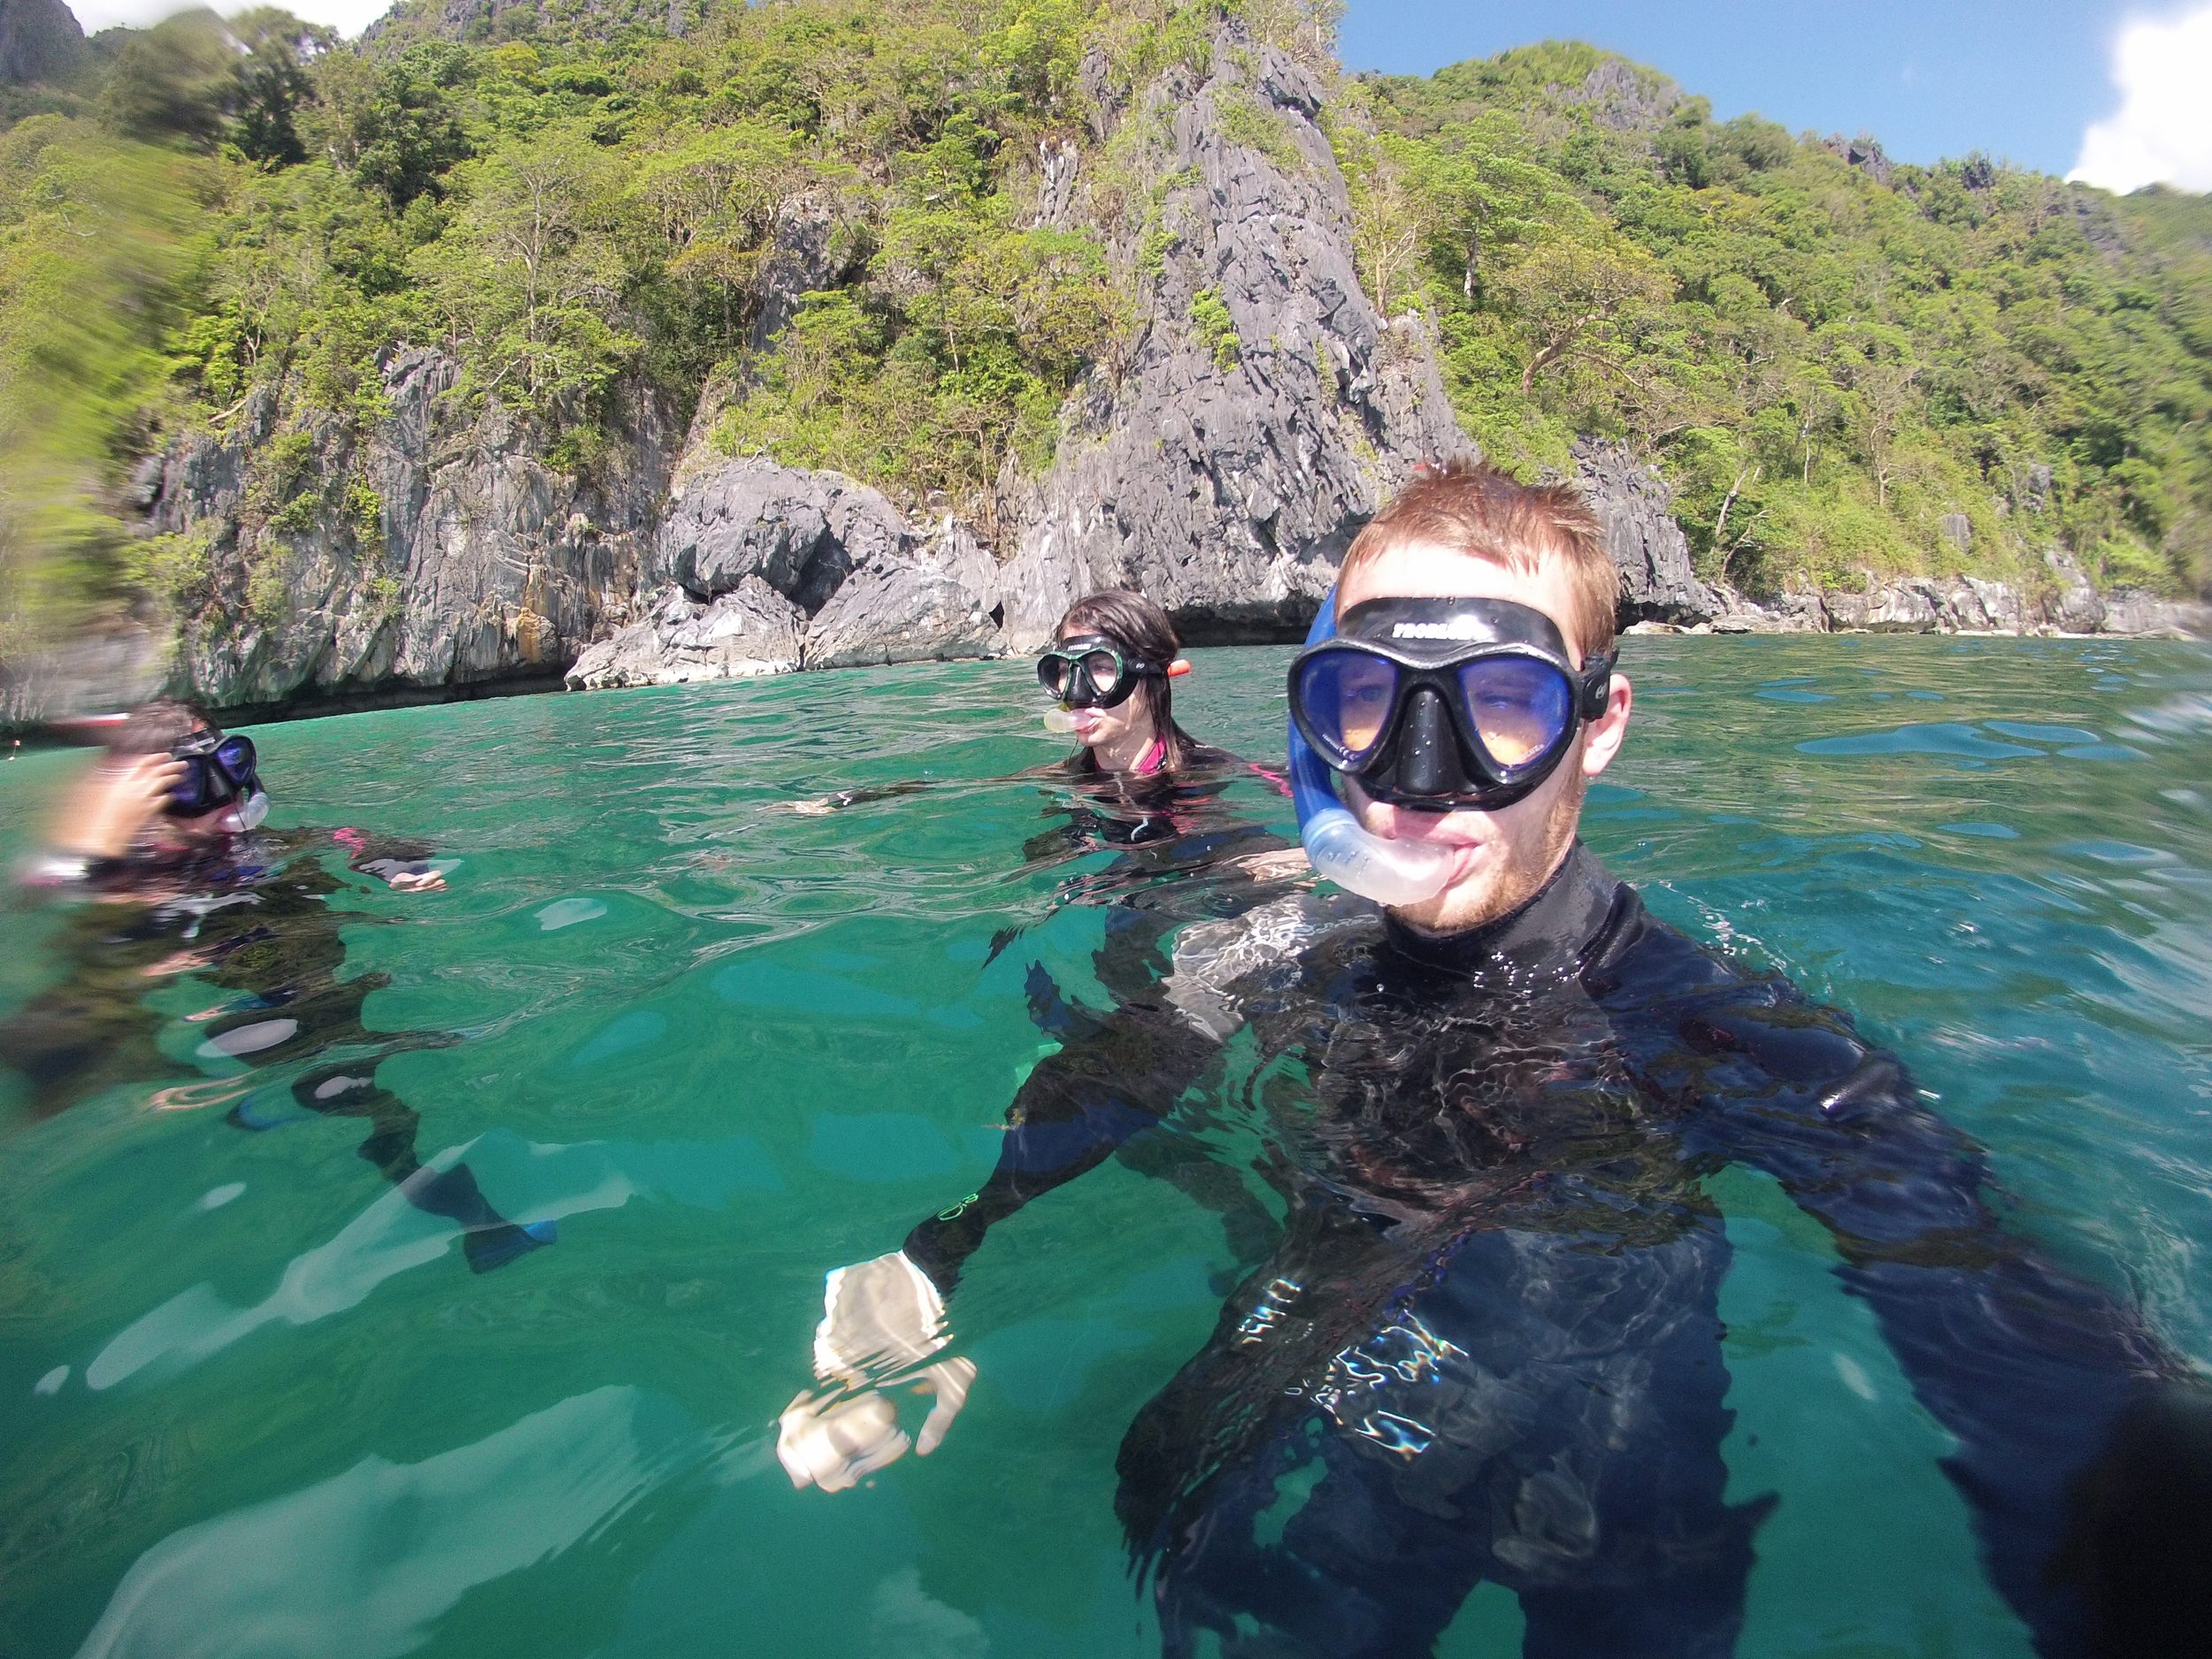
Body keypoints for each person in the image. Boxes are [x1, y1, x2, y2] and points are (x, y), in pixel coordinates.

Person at [775, 464, 2210, 1658]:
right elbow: (1124, 1067)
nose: (1420, 767)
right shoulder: (1290, 950)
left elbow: (2006, 1324)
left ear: (1599, 726)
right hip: (1306, 1390)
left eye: (1500, 706)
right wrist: (940, 1249)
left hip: (1610, 1446)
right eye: (1366, 703)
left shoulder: (1710, 1024)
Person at [4, 702, 553, 1273]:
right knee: (357, 1093)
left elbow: (345, 837)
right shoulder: (132, 875)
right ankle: (478, 1223)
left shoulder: (250, 844)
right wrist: (101, 855)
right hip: (271, 1000)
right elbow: (56, 913)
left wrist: (393, 867)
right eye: (196, 786)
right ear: (139, 800)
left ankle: (456, 1208)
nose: (230, 801)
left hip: (308, 982)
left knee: (352, 1073)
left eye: (232, 769)